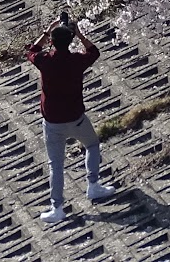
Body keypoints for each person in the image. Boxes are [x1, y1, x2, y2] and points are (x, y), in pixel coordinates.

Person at [28, 17, 115, 223]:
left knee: (56, 166)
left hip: (52, 123)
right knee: (92, 145)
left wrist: (48, 30)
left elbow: (31, 51)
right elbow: (94, 52)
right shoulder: (76, 60)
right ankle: (93, 186)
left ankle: (57, 208)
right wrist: (80, 35)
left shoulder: (45, 61)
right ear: (70, 40)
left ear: (52, 42)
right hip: (76, 119)